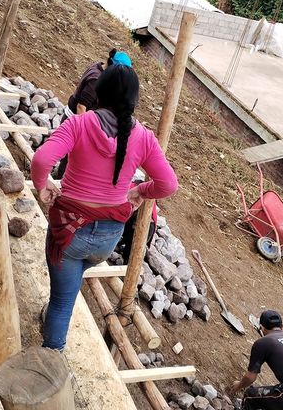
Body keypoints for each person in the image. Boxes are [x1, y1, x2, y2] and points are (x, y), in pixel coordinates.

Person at [31, 63, 177, 352]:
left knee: (62, 301)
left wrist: (42, 184)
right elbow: (168, 184)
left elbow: (41, 160)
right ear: (134, 100)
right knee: (69, 286)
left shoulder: (79, 124)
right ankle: (57, 307)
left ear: (99, 92)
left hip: (69, 233)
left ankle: (53, 356)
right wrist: (140, 190)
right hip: (107, 240)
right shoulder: (144, 137)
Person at [56, 48, 132, 177]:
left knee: (71, 157)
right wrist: (85, 133)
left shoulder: (99, 67)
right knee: (70, 158)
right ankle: (61, 183)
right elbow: (81, 107)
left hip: (75, 117)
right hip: (75, 120)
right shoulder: (96, 80)